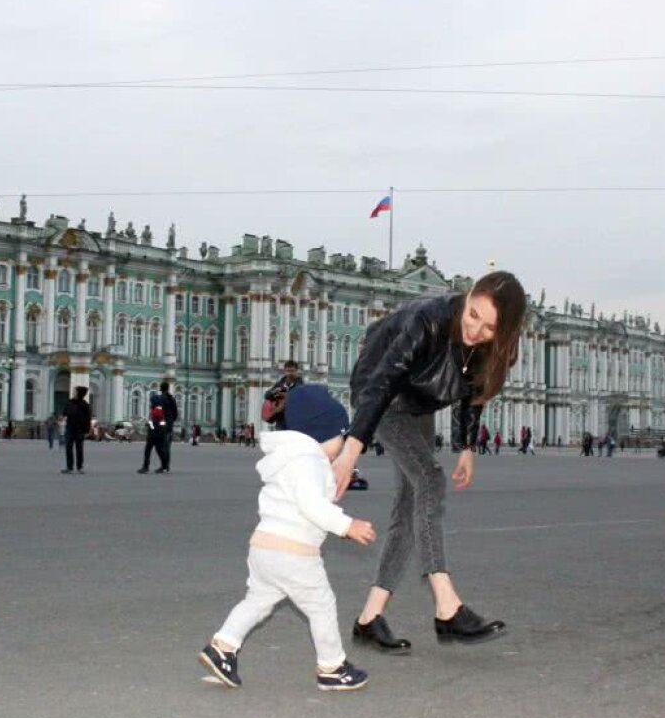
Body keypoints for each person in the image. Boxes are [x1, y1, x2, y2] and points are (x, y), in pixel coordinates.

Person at [331, 271, 527, 653]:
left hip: (418, 402)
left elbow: (474, 391)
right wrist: (352, 449)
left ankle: (370, 619)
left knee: (410, 504)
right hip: (381, 394)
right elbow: (384, 381)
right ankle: (447, 604)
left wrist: (467, 447)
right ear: (467, 297)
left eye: (489, 329)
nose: (475, 331)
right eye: (472, 316)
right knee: (430, 479)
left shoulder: (499, 348)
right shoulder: (429, 319)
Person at [198, 384, 376, 691]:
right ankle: (332, 666)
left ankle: (223, 647)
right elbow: (312, 506)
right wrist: (347, 525)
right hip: (294, 552)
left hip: (264, 546)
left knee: (257, 600)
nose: (342, 443)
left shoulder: (289, 458)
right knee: (321, 605)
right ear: (322, 433)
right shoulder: (309, 461)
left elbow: (304, 500)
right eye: (340, 436)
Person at [263, 359, 304, 429]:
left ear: (296, 371)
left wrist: (286, 396)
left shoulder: (301, 385)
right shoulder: (280, 384)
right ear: (285, 371)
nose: (290, 373)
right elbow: (267, 395)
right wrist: (275, 392)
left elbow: (300, 399)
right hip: (280, 421)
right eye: (288, 371)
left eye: (292, 371)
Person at [61, 386, 92, 475]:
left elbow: (88, 419)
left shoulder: (85, 405)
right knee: (68, 448)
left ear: (80, 393)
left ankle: (79, 467)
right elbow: (64, 413)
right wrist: (63, 417)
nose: (73, 393)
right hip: (70, 428)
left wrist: (86, 430)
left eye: (75, 391)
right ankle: (69, 467)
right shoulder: (69, 402)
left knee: (79, 449)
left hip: (80, 430)